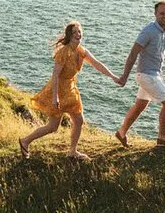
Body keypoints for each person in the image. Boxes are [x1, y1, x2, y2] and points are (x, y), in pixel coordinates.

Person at [19, 21, 120, 160]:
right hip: (59, 89)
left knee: (78, 120)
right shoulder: (64, 52)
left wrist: (113, 76)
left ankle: (72, 151)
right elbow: (55, 75)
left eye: (79, 32)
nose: (78, 35)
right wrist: (55, 97)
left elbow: (97, 64)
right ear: (69, 36)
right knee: (52, 127)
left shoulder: (81, 51)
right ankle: (25, 141)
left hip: (71, 89)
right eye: (74, 32)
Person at [114, 0, 165, 148]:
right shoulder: (148, 31)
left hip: (154, 74)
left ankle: (121, 133)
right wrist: (124, 76)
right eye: (162, 13)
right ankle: (162, 138)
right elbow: (132, 55)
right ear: (155, 14)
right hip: (146, 75)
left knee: (140, 105)